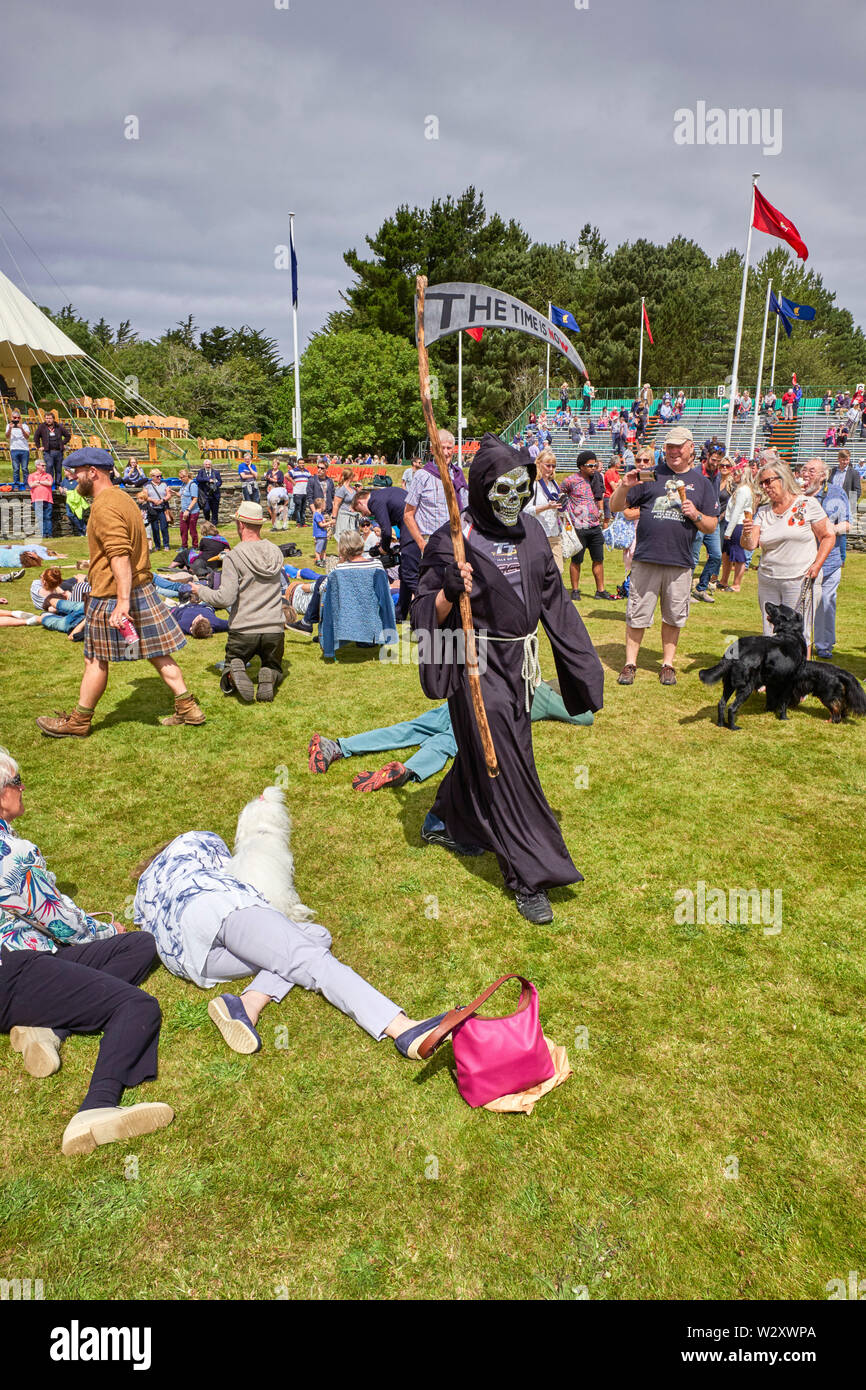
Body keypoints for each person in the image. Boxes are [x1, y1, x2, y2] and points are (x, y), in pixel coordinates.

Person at [411, 432, 604, 926]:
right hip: (473, 665)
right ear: (479, 488)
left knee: (484, 750)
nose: (514, 499)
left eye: (522, 487)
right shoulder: (455, 538)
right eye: (502, 488)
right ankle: (527, 875)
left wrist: (582, 665)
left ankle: (443, 818)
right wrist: (448, 594)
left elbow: (555, 603)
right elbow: (422, 611)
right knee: (508, 763)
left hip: (519, 666)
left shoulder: (535, 533)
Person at [133, 820, 446, 1062]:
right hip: (217, 908)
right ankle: (402, 1028)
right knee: (308, 958)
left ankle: (247, 1004)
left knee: (315, 935)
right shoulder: (195, 840)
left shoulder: (145, 890)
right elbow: (238, 871)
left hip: (191, 958)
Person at [0, 748, 173, 1155]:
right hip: (14, 970)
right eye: (16, 781)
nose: (23, 788)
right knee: (137, 1007)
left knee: (139, 945)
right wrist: (105, 928)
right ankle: (97, 1107)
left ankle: (49, 1029)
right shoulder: (13, 855)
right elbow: (59, 919)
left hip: (24, 965)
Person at [35, 447, 205, 737]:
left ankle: (79, 720)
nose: (73, 479)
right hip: (140, 587)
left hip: (113, 593)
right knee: (158, 652)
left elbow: (120, 555)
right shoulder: (123, 499)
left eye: (77, 474)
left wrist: (122, 602)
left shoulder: (104, 506)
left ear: (93, 472)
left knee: (94, 658)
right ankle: (188, 708)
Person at [308, 680, 594, 791]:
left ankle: (339, 747)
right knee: (446, 742)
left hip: (465, 696)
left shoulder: (500, 664)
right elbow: (585, 715)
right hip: (488, 717)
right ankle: (409, 770)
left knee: (410, 728)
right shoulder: (541, 693)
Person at [609, 425, 720, 686]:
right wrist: (624, 487)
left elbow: (711, 525)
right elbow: (616, 507)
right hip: (646, 557)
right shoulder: (650, 476)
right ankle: (630, 663)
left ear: (691, 448)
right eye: (669, 446)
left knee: (673, 615)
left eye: (678, 446)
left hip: (680, 561)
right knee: (637, 613)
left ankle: (667, 665)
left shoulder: (701, 483)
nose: (673, 451)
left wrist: (697, 515)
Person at [193, 500, 285, 704]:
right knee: (274, 667)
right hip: (274, 629)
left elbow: (224, 598)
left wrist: (200, 590)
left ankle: (234, 673)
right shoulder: (276, 552)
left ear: (241, 525)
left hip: (244, 629)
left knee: (231, 665)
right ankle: (269, 674)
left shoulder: (234, 557)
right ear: (259, 524)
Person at [741, 460, 835, 638]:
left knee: (798, 634)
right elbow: (750, 544)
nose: (765, 487)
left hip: (799, 579)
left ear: (783, 478)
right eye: (762, 483)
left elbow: (828, 536)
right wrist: (746, 533)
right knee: (770, 633)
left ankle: (801, 666)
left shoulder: (807, 504)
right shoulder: (763, 511)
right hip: (768, 579)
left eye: (769, 481)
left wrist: (817, 565)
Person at [800, 458, 850, 660]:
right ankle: (799, 642)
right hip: (802, 558)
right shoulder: (796, 494)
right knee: (801, 602)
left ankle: (823, 645)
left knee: (826, 603)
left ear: (823, 475)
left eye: (811, 471)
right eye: (804, 469)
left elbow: (847, 524)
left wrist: (828, 530)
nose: (806, 474)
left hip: (829, 560)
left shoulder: (837, 494)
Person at [560, 450, 617, 601]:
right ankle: (575, 590)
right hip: (578, 527)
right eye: (590, 465)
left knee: (598, 559)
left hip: (594, 527)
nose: (593, 467)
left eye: (595, 465)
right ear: (581, 466)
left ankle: (600, 590)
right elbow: (559, 493)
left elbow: (600, 496)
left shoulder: (597, 479)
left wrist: (600, 511)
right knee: (576, 560)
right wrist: (566, 510)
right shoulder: (571, 480)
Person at [690, 450, 724, 603]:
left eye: (719, 461)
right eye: (714, 460)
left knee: (716, 556)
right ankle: (684, 592)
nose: (715, 464)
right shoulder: (695, 473)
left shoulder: (717, 474)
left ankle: (701, 588)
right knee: (693, 558)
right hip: (697, 520)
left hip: (712, 519)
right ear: (707, 457)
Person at [525, 448, 564, 575]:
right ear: (539, 464)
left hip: (554, 533)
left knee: (558, 571)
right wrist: (546, 507)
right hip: (537, 534)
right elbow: (526, 510)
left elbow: (556, 508)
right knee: (540, 573)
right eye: (548, 465)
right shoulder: (533, 484)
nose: (551, 469)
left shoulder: (554, 485)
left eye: (553, 466)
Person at [717, 466, 755, 593]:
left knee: (738, 556)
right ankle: (724, 580)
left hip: (737, 525)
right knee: (726, 554)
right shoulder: (740, 489)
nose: (733, 474)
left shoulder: (743, 490)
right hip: (732, 523)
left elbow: (737, 511)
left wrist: (728, 531)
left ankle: (736, 584)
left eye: (736, 473)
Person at [33, 411, 71, 488]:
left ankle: (58, 484)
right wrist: (39, 446)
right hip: (48, 452)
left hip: (58, 451)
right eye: (46, 418)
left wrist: (62, 443)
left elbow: (67, 436)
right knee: (49, 466)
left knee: (58, 468)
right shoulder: (42, 427)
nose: (48, 420)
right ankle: (49, 484)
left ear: (53, 419)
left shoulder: (58, 426)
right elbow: (36, 437)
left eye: (50, 418)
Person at [27, 456, 54, 539]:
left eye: (45, 465)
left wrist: (38, 482)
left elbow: (49, 483)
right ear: (37, 466)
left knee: (48, 517)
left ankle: (49, 534)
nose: (44, 467)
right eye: (42, 465)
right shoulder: (31, 475)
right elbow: (31, 485)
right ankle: (43, 534)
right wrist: (43, 482)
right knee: (40, 518)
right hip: (37, 499)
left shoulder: (48, 475)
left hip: (48, 499)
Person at [145, 469, 172, 551]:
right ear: (152, 477)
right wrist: (153, 500)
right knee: (155, 528)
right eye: (157, 476)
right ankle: (157, 545)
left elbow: (169, 495)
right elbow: (145, 496)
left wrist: (162, 500)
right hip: (152, 509)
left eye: (160, 476)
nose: (159, 478)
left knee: (164, 527)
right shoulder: (147, 485)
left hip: (162, 508)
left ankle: (166, 544)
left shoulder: (164, 484)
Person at [5, 409, 31, 491]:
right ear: (11, 418)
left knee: (24, 468)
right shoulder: (9, 425)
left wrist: (21, 428)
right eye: (14, 418)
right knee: (16, 468)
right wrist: (10, 428)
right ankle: (16, 485)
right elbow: (7, 436)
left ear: (20, 418)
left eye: (18, 418)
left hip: (24, 449)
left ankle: (26, 485)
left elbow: (27, 437)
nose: (16, 419)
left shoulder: (25, 426)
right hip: (14, 449)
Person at [177, 468, 200, 550]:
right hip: (183, 511)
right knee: (183, 529)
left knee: (192, 530)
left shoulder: (192, 485)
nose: (180, 479)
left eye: (181, 477)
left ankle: (195, 546)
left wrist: (188, 510)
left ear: (186, 476)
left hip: (192, 512)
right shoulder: (183, 484)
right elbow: (181, 495)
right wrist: (173, 493)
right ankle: (184, 546)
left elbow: (195, 499)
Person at [195, 458, 222, 523]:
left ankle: (214, 525)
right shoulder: (201, 472)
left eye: (209, 464)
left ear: (211, 465)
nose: (208, 466)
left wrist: (215, 485)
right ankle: (207, 522)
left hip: (215, 495)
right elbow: (198, 479)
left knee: (215, 511)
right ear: (204, 465)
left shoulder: (216, 472)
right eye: (206, 464)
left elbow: (220, 482)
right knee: (206, 509)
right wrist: (208, 479)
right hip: (205, 495)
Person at [289, 458, 311, 526]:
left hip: (305, 492)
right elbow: (286, 475)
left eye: (303, 463)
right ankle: (298, 523)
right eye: (300, 463)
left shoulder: (307, 471)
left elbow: (311, 479)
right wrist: (292, 481)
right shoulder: (294, 471)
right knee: (298, 508)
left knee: (303, 509)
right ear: (298, 464)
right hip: (297, 492)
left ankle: (303, 523)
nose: (302, 464)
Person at [311, 497, 331, 567]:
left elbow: (324, 523)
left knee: (324, 549)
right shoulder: (316, 515)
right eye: (324, 505)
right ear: (321, 506)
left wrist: (328, 523)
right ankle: (318, 561)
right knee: (318, 550)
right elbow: (321, 525)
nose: (325, 506)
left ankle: (324, 560)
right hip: (319, 535)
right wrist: (330, 522)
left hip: (324, 534)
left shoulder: (321, 515)